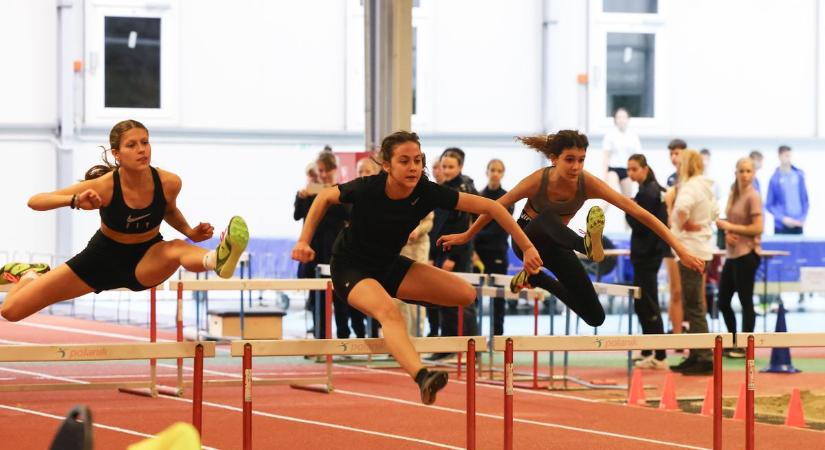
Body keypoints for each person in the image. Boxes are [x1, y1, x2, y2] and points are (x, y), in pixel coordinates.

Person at [291, 131, 542, 405]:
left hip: (388, 266)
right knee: (389, 312)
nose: (413, 167)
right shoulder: (369, 187)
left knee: (465, 295)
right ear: (387, 165)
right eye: (404, 161)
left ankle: (398, 294)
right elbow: (325, 197)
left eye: (418, 160)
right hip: (351, 268)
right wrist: (303, 240)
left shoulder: (427, 192)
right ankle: (422, 376)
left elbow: (494, 208)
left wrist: (525, 246)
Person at [439, 130, 704, 330]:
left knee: (595, 317)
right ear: (554, 159)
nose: (576, 167)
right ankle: (585, 245)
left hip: (556, 246)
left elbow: (639, 213)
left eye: (581, 160)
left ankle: (539, 279)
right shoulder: (538, 180)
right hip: (525, 240)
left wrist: (681, 249)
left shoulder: (587, 183)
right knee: (547, 216)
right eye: (569, 160)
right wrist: (465, 236)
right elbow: (495, 207)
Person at [1, 119, 248, 322]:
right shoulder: (105, 186)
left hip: (146, 257)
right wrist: (74, 200)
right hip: (99, 261)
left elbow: (169, 211)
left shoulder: (169, 182)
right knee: (11, 312)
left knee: (175, 248)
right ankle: (30, 275)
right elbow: (35, 201)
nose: (142, 149)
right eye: (132, 145)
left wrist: (190, 232)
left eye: (145, 142)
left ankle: (217, 258)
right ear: (117, 154)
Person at [668, 149, 719, 375]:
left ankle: (704, 357)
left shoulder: (690, 186)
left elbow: (680, 210)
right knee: (694, 304)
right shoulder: (707, 186)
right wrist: (702, 223)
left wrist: (682, 224)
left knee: (694, 306)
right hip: (702, 248)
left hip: (690, 249)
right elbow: (716, 212)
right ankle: (697, 354)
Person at [427, 149, 479, 361]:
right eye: (444, 166)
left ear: (460, 168)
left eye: (450, 167)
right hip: (440, 252)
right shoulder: (441, 190)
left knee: (464, 300)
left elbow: (462, 227)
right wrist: (432, 255)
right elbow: (435, 226)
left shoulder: (462, 191)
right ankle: (447, 345)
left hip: (457, 254)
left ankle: (473, 347)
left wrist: (453, 258)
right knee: (443, 300)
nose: (446, 170)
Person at [294, 150, 351, 339]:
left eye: (326, 170)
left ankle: (343, 337)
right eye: (320, 170)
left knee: (340, 296)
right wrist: (302, 197)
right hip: (314, 249)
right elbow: (297, 216)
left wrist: (332, 196)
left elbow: (348, 214)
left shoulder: (343, 191)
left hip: (335, 248)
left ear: (335, 170)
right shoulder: (309, 193)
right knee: (316, 297)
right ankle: (320, 337)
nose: (323, 174)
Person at [626, 154, 670, 369]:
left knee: (648, 303)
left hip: (647, 256)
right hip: (648, 254)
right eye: (629, 169)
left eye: (634, 169)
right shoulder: (651, 191)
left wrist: (628, 209)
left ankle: (660, 355)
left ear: (644, 169)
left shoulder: (648, 193)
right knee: (642, 302)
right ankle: (647, 348)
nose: (630, 173)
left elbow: (640, 224)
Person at [716, 158, 763, 357]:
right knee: (723, 301)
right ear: (735, 173)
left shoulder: (753, 197)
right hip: (733, 255)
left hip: (747, 255)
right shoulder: (734, 195)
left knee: (745, 301)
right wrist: (727, 234)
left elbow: (758, 228)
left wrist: (731, 228)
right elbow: (728, 224)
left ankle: (745, 345)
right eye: (741, 171)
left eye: (748, 171)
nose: (744, 175)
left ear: (753, 174)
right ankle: (734, 340)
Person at [474, 159, 513, 335]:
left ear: (503, 174)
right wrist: (472, 248)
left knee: (498, 298)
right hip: (477, 255)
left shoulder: (508, 198)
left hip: (497, 252)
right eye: (492, 170)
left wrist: (475, 233)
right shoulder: (478, 195)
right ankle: (473, 335)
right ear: (487, 171)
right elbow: (473, 224)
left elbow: (499, 229)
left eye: (499, 170)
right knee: (473, 297)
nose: (495, 173)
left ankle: (498, 336)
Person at [664, 138, 687, 337]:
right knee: (676, 290)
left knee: (694, 293)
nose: (674, 157)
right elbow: (669, 216)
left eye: (677, 153)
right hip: (673, 241)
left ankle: (695, 337)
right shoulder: (670, 181)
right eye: (671, 153)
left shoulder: (695, 180)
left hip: (693, 242)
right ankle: (677, 334)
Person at [766, 145, 809, 235]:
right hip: (782, 226)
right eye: (786, 156)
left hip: (798, 223)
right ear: (779, 156)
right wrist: (782, 218)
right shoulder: (774, 179)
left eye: (789, 156)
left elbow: (805, 200)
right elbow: (769, 204)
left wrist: (803, 218)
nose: (788, 159)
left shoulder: (799, 176)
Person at [603, 107, 641, 198]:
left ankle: (629, 213)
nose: (621, 120)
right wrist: (604, 175)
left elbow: (638, 156)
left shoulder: (633, 136)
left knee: (628, 201)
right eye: (618, 117)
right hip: (613, 169)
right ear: (615, 119)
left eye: (623, 117)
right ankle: (597, 212)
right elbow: (606, 157)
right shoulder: (610, 135)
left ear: (628, 119)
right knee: (608, 196)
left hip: (627, 170)